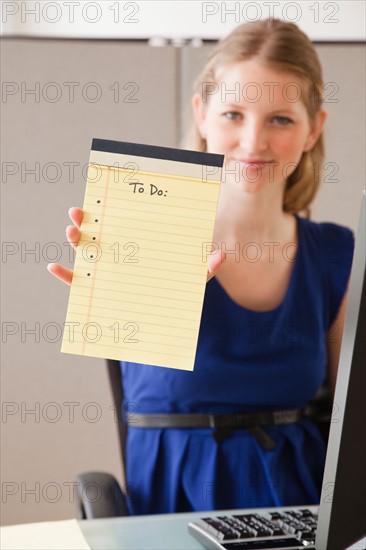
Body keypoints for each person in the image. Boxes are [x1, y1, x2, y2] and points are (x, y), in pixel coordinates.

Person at [48, 19, 354, 515]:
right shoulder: (148, 230)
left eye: (280, 119)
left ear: (313, 129)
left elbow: (354, 420)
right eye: (233, 113)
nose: (254, 142)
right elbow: (152, 388)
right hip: (177, 512)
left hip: (300, 514)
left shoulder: (336, 253)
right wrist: (116, 296)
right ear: (203, 115)